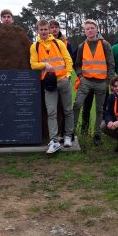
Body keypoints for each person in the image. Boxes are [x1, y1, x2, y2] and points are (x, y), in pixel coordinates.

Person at [30, 19, 74, 153]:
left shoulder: (59, 42)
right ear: (37, 31)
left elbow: (68, 59)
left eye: (45, 29)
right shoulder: (34, 46)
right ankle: (54, 141)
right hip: (49, 85)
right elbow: (33, 64)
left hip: (63, 81)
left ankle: (68, 137)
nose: (43, 32)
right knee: (51, 112)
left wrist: (67, 75)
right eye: (41, 30)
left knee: (68, 110)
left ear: (49, 30)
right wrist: (45, 65)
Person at [73, 19, 115, 146]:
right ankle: (71, 133)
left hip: (101, 82)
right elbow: (77, 64)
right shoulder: (82, 46)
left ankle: (97, 135)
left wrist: (107, 80)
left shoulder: (105, 44)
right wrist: (81, 76)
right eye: (87, 28)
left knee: (99, 110)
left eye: (92, 28)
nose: (90, 30)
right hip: (86, 81)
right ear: (84, 31)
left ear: (97, 29)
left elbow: (111, 64)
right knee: (77, 105)